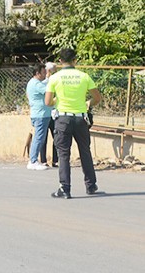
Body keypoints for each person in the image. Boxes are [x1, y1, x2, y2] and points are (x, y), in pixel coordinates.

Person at [45, 48, 102, 199]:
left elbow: (48, 102)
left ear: (60, 61)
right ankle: (91, 185)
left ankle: (65, 188)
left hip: (63, 119)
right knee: (85, 151)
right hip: (80, 119)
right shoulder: (84, 76)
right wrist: (88, 103)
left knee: (63, 153)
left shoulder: (55, 78)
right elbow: (97, 97)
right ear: (75, 60)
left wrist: (57, 100)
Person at [25, 63, 51, 171]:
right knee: (38, 138)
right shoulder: (36, 84)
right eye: (44, 73)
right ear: (37, 73)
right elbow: (48, 91)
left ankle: (34, 159)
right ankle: (33, 160)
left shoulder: (34, 83)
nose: (45, 75)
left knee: (39, 137)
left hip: (40, 114)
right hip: (40, 115)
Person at [41, 62, 58, 167]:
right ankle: (43, 160)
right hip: (44, 113)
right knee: (43, 138)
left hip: (53, 112)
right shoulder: (42, 82)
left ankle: (55, 160)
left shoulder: (55, 80)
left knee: (56, 137)